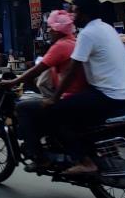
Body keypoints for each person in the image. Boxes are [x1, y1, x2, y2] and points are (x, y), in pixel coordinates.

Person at [52, 0, 125, 176]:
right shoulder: (107, 28)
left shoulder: (87, 34)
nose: (71, 15)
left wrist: (54, 98)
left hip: (108, 95)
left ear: (83, 13)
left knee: (57, 113)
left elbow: (72, 70)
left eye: (74, 11)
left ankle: (85, 161)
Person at [12, 10, 88, 166]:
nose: (48, 31)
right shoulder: (74, 42)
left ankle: (38, 156)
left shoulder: (61, 46)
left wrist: (13, 81)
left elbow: (37, 70)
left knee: (23, 107)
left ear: (57, 30)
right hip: (79, 96)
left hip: (68, 97)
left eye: (50, 28)